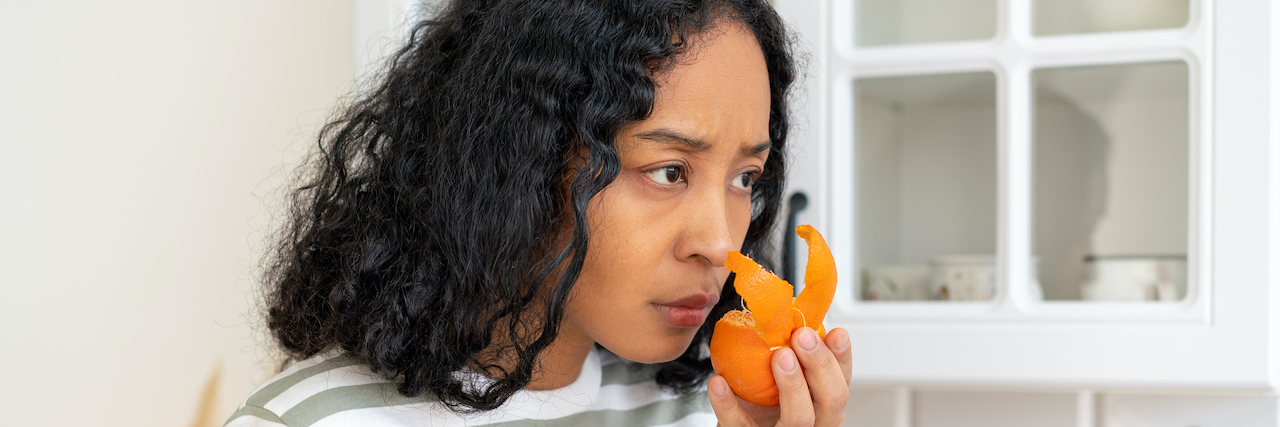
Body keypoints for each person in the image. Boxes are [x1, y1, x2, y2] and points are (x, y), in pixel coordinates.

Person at [225, 0, 851, 426]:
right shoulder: (314, 419)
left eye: (745, 178)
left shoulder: (709, 412)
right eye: (668, 171)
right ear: (520, 159)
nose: (719, 243)